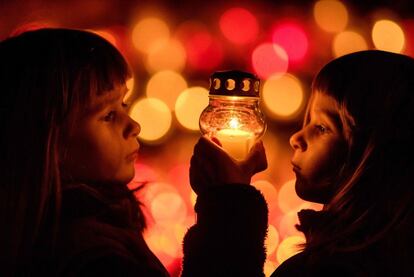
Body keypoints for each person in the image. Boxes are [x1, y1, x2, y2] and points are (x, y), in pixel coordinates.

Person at [182, 50, 414, 276]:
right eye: (307, 121)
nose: (296, 138)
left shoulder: (330, 270)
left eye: (321, 127)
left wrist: (227, 210)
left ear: (374, 155)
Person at [0, 28, 169, 276]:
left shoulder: (104, 226)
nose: (134, 126)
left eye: (123, 104)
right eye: (108, 115)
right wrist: (225, 207)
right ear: (50, 142)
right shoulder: (95, 261)